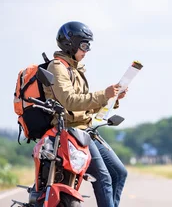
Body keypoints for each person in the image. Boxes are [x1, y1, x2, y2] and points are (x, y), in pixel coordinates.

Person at [43, 21, 128, 207]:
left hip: (85, 130)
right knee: (103, 177)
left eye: (88, 45)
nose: (87, 50)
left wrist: (113, 98)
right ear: (69, 44)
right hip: (70, 131)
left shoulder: (75, 69)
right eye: (84, 45)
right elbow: (70, 102)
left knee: (119, 173)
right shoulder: (58, 67)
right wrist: (103, 94)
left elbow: (86, 106)